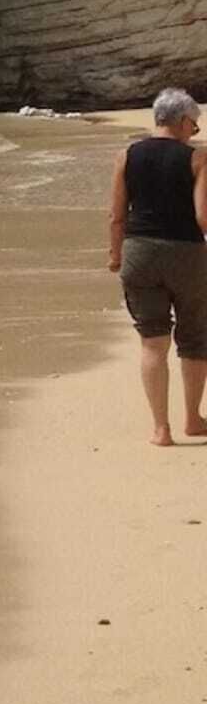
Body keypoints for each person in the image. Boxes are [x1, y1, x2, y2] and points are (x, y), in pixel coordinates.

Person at [108, 87, 207, 444]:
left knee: (152, 342)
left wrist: (115, 256)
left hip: (139, 252)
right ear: (182, 122)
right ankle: (193, 420)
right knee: (195, 339)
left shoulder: (127, 156)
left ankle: (160, 428)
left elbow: (117, 216)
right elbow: (203, 217)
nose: (194, 132)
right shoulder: (197, 159)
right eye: (194, 126)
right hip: (186, 255)